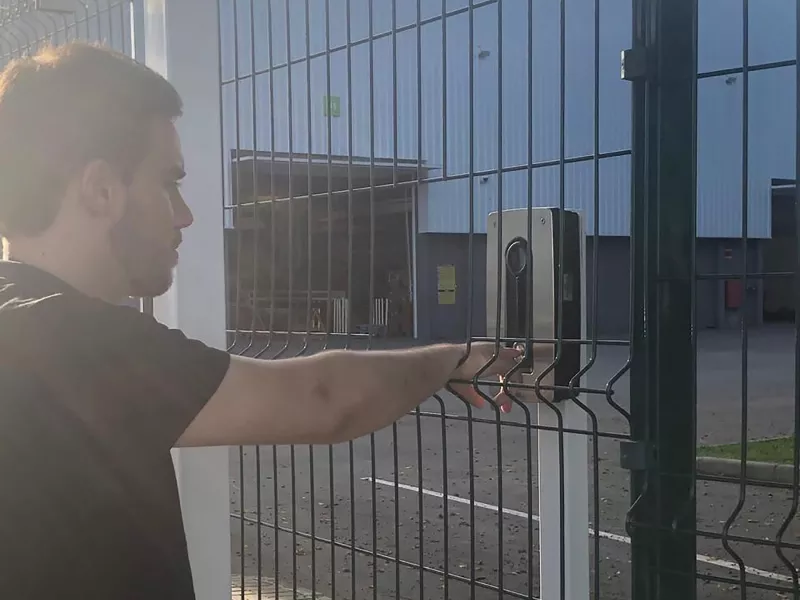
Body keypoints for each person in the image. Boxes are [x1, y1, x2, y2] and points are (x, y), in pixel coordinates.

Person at [0, 43, 521, 599]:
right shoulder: (68, 339)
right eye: (167, 182)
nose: (185, 214)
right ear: (100, 189)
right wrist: (454, 360)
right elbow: (324, 400)